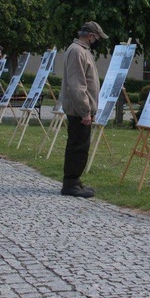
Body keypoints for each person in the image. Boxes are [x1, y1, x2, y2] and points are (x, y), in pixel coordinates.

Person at [59, 21, 108, 198]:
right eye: (97, 37)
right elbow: (77, 84)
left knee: (80, 145)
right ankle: (70, 183)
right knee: (78, 146)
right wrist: (85, 111)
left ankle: (75, 180)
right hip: (78, 111)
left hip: (80, 110)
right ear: (90, 35)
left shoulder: (81, 51)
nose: (97, 41)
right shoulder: (77, 51)